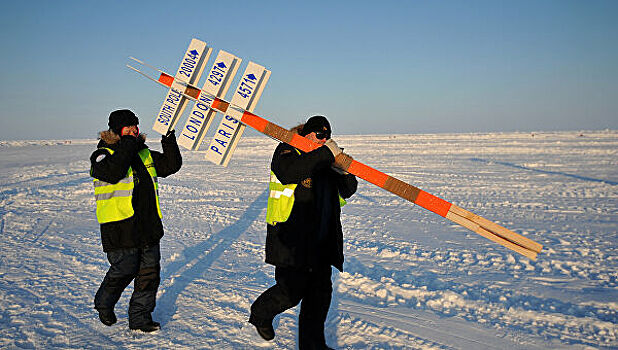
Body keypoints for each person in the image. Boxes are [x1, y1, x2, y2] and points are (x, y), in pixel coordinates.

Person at [249, 116, 357, 349]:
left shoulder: (324, 161)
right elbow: (288, 173)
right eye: (319, 135)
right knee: (290, 292)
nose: (324, 140)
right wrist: (327, 154)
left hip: (322, 244)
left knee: (319, 299)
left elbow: (348, 190)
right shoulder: (287, 150)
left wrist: (344, 171)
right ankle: (260, 313)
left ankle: (313, 346)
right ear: (307, 134)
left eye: (327, 137)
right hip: (292, 241)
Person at [90, 109, 182, 332]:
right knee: (125, 269)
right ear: (116, 130)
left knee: (149, 275)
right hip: (120, 228)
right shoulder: (102, 155)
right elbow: (114, 172)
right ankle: (104, 303)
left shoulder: (144, 153)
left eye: (135, 126)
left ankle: (140, 318)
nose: (133, 130)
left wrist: (168, 139)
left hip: (148, 226)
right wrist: (129, 144)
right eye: (127, 127)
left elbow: (171, 166)